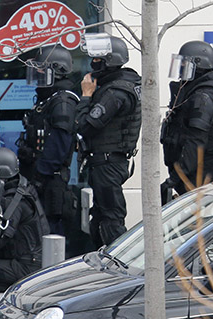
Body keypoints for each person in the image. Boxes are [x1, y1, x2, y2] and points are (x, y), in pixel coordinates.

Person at [76, 34, 141, 248]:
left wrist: (86, 96)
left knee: (111, 218)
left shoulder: (115, 92)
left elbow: (85, 126)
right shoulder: (119, 85)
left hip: (108, 163)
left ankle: (118, 264)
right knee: (100, 217)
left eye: (98, 59)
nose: (93, 63)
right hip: (107, 162)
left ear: (109, 61)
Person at [17, 45, 79, 234]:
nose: (37, 73)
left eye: (42, 69)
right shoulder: (49, 98)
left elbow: (59, 146)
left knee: (48, 233)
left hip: (49, 182)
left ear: (56, 71)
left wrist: (39, 177)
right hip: (38, 177)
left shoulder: (62, 102)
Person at [160, 40, 213, 203]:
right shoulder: (195, 92)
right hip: (191, 174)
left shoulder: (204, 97)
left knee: (198, 223)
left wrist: (176, 178)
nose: (180, 69)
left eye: (183, 64)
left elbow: (195, 142)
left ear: (197, 65)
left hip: (198, 175)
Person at [0, 147, 50, 292]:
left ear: (0, 173)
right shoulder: (22, 186)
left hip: (26, 266)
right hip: (30, 260)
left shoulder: (13, 202)